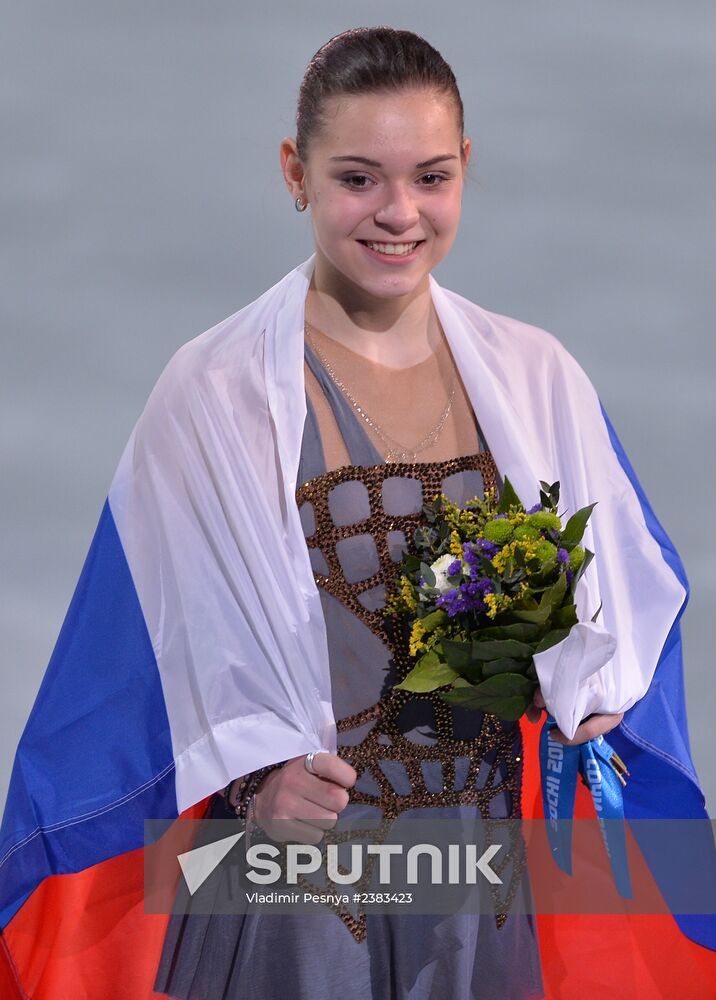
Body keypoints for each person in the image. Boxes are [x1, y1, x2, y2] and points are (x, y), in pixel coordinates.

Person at [1, 25, 714, 1000]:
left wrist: (591, 689)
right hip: (288, 892)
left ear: (464, 168)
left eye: (428, 177)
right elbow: (133, 671)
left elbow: (617, 611)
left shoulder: (535, 377)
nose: (397, 213)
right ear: (294, 172)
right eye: (356, 179)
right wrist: (255, 781)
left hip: (481, 884)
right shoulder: (213, 393)